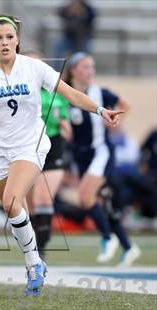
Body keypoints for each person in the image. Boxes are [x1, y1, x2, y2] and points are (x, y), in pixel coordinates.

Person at [0, 15, 122, 295]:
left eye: (9, 37)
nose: (4, 42)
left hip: (31, 144)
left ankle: (33, 265)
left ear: (17, 40)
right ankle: (37, 259)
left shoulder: (34, 68)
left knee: (12, 202)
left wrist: (101, 110)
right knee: (13, 209)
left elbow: (72, 94)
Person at [64, 52, 140, 266]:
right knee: (102, 203)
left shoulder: (100, 92)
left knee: (85, 197)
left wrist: (115, 121)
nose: (90, 72)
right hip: (80, 156)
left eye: (92, 67)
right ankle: (128, 246)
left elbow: (125, 104)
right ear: (74, 70)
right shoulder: (66, 94)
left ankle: (108, 237)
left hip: (101, 152)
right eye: (85, 67)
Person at [24, 51, 72, 260]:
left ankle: (41, 250)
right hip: (26, 146)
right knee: (30, 203)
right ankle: (32, 246)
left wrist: (65, 126)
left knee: (44, 197)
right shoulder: (19, 90)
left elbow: (64, 118)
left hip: (53, 146)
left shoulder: (55, 90)